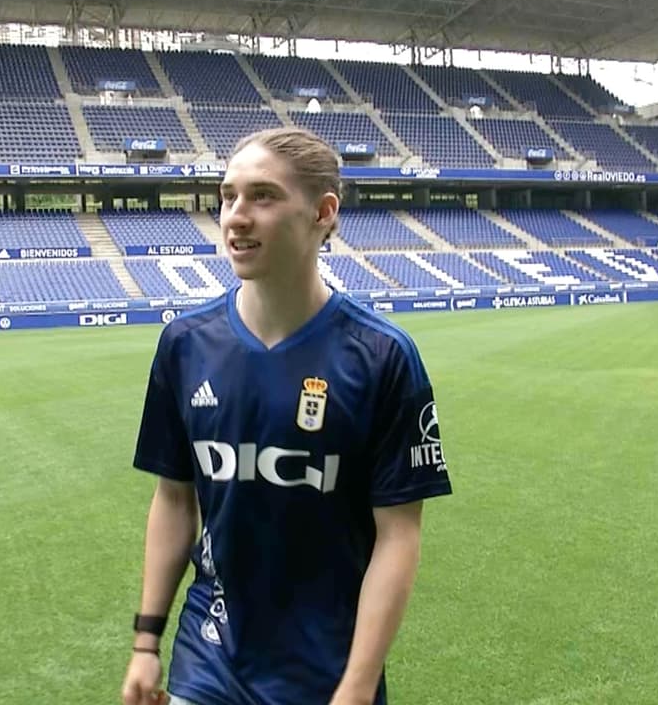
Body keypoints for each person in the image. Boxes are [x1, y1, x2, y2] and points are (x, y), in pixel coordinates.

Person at [120, 127, 453, 705]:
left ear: (323, 213)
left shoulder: (381, 357)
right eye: (228, 196)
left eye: (263, 196)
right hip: (210, 654)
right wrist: (146, 643)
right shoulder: (185, 344)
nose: (236, 216)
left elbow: (398, 538)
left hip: (325, 669)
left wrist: (356, 686)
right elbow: (174, 499)